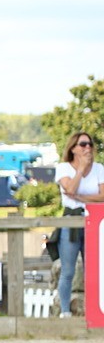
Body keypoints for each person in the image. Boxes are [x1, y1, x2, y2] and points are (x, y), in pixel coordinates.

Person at [54, 131, 103, 318]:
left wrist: (81, 198)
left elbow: (102, 196)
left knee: (94, 270)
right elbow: (70, 188)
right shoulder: (64, 168)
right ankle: (65, 311)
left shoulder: (99, 168)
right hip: (71, 222)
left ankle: (93, 310)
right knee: (68, 270)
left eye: (90, 144)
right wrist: (81, 170)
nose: (88, 147)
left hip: (94, 221)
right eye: (83, 144)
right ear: (73, 148)